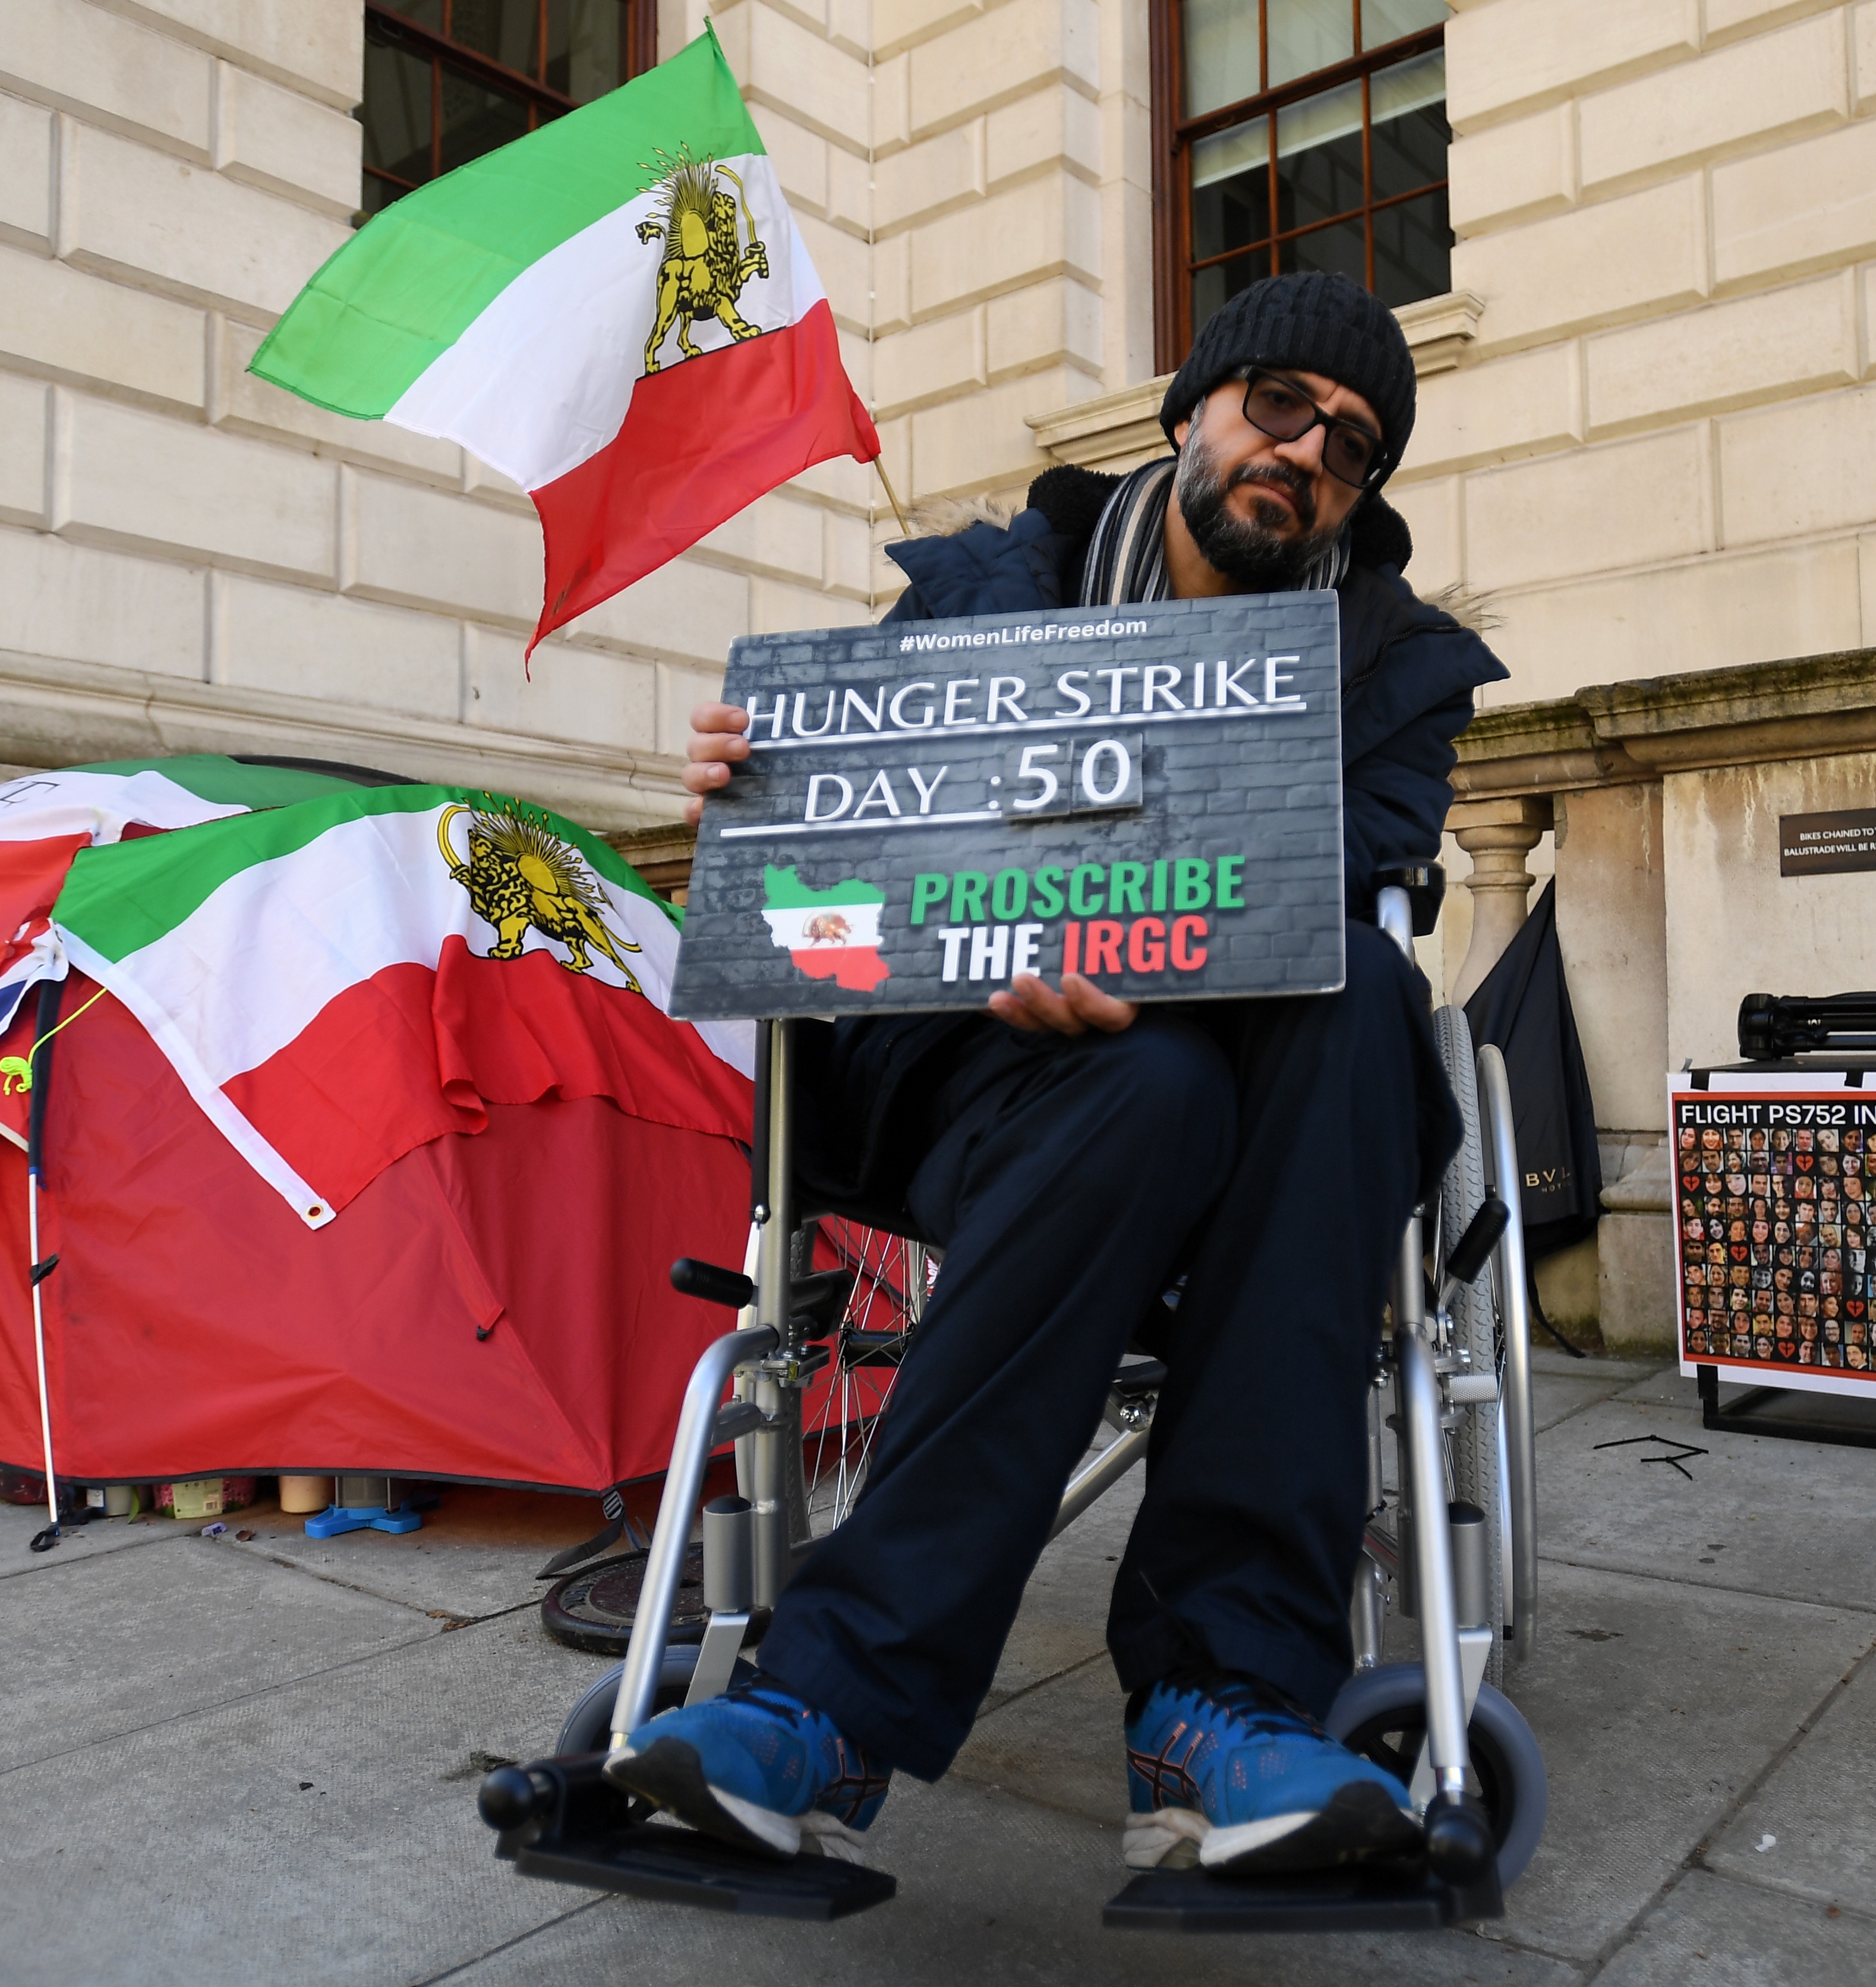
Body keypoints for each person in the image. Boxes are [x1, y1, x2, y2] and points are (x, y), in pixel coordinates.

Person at [605, 275, 1509, 1879]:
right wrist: (759, 786)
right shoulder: (976, 595)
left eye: (1351, 446)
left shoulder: (1396, 666)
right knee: (1137, 1096)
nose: (1304, 453)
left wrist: (1152, 952)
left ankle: (1220, 1699)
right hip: (964, 1077)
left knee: (1335, 996)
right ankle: (826, 1704)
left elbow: (1355, 867)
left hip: (1255, 1086)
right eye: (1278, 406)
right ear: (1192, 413)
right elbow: (846, 855)